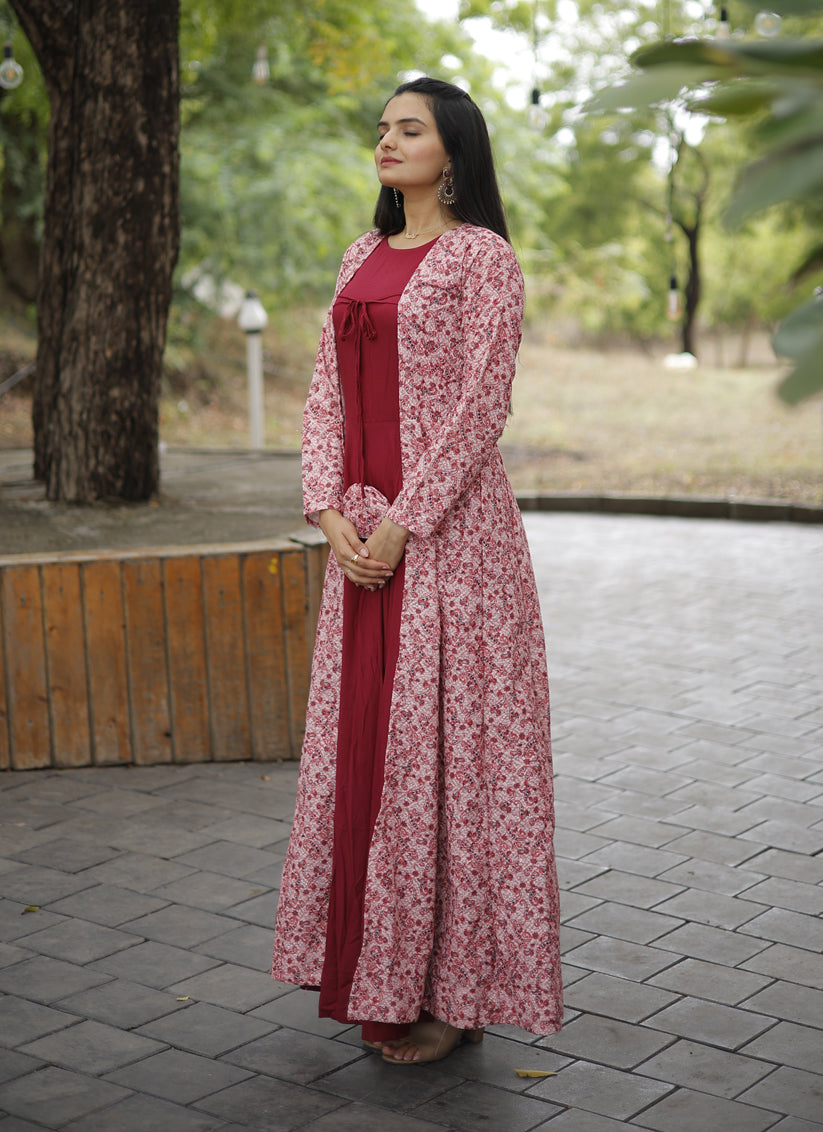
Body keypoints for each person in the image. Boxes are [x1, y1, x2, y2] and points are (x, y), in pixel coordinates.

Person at [271, 76, 562, 1065]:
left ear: (454, 152)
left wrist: (405, 521)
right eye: (383, 128)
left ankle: (454, 991)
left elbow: (483, 403)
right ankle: (373, 972)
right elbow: (321, 393)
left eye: (411, 129)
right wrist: (324, 508)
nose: (388, 142)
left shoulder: (484, 259)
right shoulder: (361, 255)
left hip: (450, 547)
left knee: (448, 771)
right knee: (371, 761)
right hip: (359, 543)